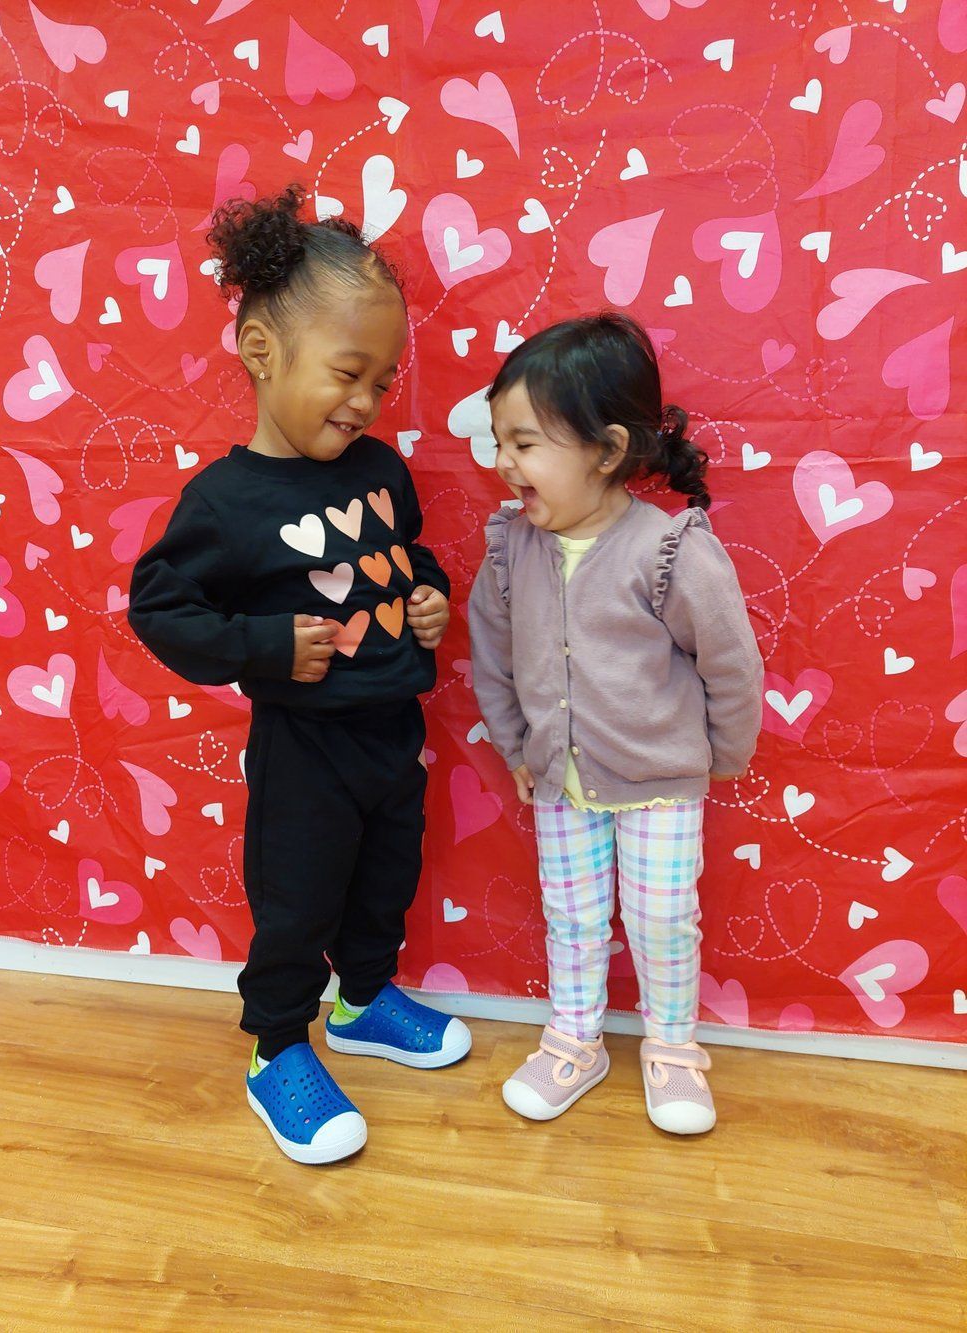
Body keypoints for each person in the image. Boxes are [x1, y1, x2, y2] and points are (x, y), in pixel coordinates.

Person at [128, 184, 471, 1166]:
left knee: (382, 884)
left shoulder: (383, 471)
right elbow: (161, 608)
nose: (366, 401)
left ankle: (361, 1003)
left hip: (390, 732)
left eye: (382, 381)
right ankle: (277, 1045)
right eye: (348, 373)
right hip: (304, 750)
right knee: (298, 902)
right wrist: (268, 647)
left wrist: (432, 599)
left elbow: (406, 556)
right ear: (263, 353)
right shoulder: (227, 500)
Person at [468, 313, 762, 1134]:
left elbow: (730, 661)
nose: (504, 464)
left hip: (662, 784)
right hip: (561, 779)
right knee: (571, 912)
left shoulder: (669, 550)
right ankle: (575, 1037)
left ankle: (671, 1046)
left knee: (663, 915)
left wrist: (723, 755)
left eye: (524, 444)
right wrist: (512, 741)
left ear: (605, 450)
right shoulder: (510, 549)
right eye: (500, 442)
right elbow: (491, 654)